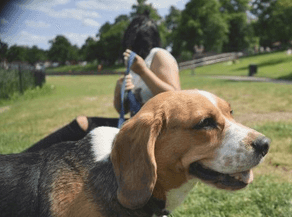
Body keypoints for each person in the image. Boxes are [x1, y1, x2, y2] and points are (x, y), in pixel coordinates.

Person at [24, 13, 180, 153]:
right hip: (138, 126)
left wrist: (143, 72)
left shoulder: (159, 55)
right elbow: (122, 109)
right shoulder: (137, 64)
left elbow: (176, 98)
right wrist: (119, 88)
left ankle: (25, 159)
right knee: (84, 125)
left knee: (85, 124)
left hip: (158, 131)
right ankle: (26, 159)